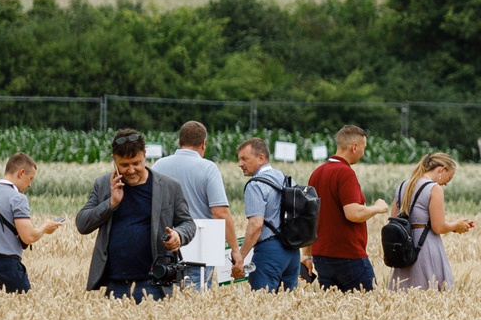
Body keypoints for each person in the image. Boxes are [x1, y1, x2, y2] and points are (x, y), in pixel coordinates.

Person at [76, 130, 197, 300]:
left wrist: (178, 235)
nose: (131, 170)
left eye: (136, 163)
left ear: (144, 156)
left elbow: (188, 224)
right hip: (116, 281)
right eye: (124, 165)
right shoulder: (104, 185)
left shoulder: (170, 187)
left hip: (155, 281)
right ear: (114, 160)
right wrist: (111, 203)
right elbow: (82, 224)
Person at [151, 121, 234, 289]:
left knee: (164, 302)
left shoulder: (158, 166)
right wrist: (235, 250)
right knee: (195, 306)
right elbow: (220, 213)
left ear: (179, 142)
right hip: (201, 248)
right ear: (204, 144)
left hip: (164, 248)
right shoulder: (208, 168)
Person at [308, 126, 387, 292]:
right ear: (354, 147)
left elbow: (309, 218)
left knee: (334, 310)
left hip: (321, 255)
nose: (363, 154)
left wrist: (307, 255)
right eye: (363, 148)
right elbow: (353, 214)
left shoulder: (317, 173)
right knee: (369, 305)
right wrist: (377, 208)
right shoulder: (345, 173)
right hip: (347, 254)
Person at [0, 152, 63, 291]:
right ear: (21, 173)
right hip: (6, 266)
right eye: (30, 178)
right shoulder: (17, 198)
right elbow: (28, 236)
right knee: (22, 309)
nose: (30, 185)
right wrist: (45, 227)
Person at [389, 151, 472, 291]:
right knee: (431, 290)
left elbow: (393, 220)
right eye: (449, 178)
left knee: (404, 294)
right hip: (425, 246)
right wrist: (455, 226)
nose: (446, 183)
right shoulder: (434, 188)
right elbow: (438, 227)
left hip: (404, 248)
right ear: (442, 169)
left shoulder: (402, 186)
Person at [233, 137, 305, 292]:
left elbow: (256, 224)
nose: (240, 164)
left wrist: (241, 256)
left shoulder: (255, 185)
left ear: (261, 158)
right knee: (289, 306)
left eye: (244, 159)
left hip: (269, 252)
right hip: (292, 252)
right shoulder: (287, 179)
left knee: (263, 305)